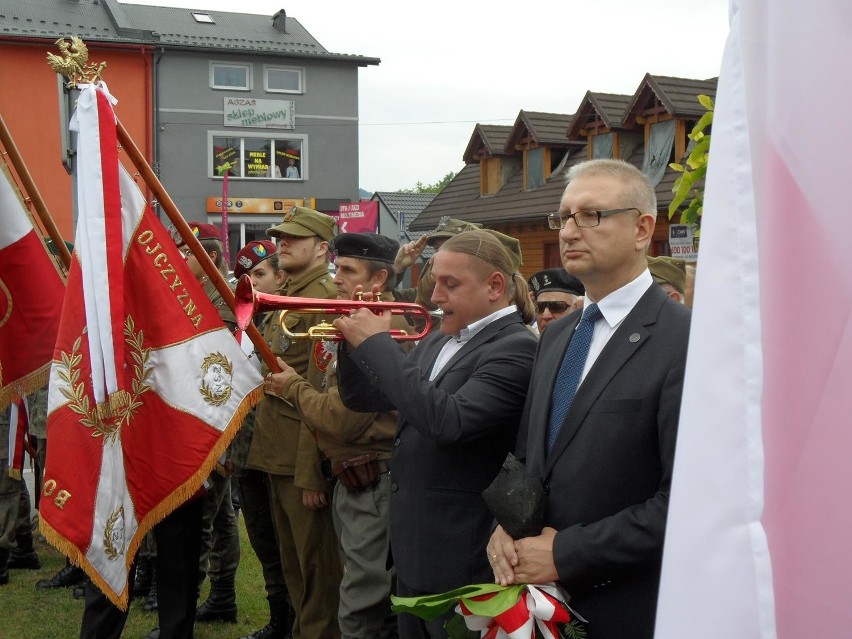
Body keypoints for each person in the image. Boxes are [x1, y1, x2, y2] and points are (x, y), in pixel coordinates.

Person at [488, 159, 691, 639]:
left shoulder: (687, 340)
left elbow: (688, 500)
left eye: (591, 215)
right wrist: (506, 527)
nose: (569, 231)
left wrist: (567, 554)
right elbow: (530, 458)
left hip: (631, 607)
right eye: (564, 217)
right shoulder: (557, 338)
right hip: (541, 606)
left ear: (643, 229)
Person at [334, 229, 538, 638]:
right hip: (416, 548)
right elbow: (363, 398)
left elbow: (448, 422)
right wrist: (352, 342)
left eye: (451, 284)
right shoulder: (438, 338)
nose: (436, 296)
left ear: (495, 286)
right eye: (434, 282)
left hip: (465, 554)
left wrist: (378, 345)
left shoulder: (515, 347)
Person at [266, 232, 409, 639]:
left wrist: (292, 388)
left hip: (374, 478)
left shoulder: (384, 329)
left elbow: (344, 417)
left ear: (379, 280)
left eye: (347, 270)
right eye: (337, 267)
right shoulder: (351, 320)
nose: (337, 277)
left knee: (360, 608)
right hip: (353, 477)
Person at [244, 206, 343, 639]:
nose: (282, 242)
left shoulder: (321, 302)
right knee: (295, 572)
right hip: (276, 454)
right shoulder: (292, 297)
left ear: (322, 249)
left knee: (316, 575)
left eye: (294, 238)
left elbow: (319, 395)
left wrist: (310, 472)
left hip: (301, 461)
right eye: (281, 236)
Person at [174, 222, 242, 627]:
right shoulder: (195, 295)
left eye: (186, 251)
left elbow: (218, 369)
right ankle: (220, 599)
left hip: (214, 420)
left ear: (209, 258)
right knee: (218, 518)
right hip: (197, 416)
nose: (179, 257)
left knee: (203, 518)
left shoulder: (221, 303)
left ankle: (190, 599)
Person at [229, 240, 295, 639]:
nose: (249, 284)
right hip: (246, 448)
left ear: (279, 278)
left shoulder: (285, 318)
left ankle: (295, 618)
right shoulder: (241, 320)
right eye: (244, 277)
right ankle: (279, 619)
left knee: (286, 539)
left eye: (258, 275)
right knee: (263, 540)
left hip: (276, 448)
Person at [527, 267, 585, 334]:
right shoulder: (530, 342)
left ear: (579, 309)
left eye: (557, 307)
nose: (545, 315)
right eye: (539, 307)